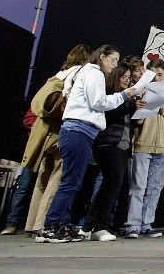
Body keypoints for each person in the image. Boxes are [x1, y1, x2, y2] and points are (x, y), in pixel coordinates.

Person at [36, 45, 140, 243]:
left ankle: (62, 223)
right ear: (102, 57)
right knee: (70, 181)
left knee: (74, 181)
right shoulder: (94, 72)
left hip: (82, 131)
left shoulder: (88, 73)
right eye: (113, 60)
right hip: (78, 130)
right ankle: (52, 226)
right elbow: (98, 102)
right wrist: (125, 95)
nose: (114, 65)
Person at [23, 44, 92, 236]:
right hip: (61, 132)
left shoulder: (59, 75)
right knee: (59, 178)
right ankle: (44, 224)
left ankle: (30, 224)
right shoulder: (78, 74)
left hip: (43, 133)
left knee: (42, 179)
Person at [81, 63, 145, 241]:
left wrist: (138, 108)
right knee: (112, 184)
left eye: (128, 77)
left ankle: (89, 225)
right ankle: (100, 226)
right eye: (122, 77)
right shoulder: (109, 94)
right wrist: (130, 105)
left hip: (124, 146)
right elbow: (108, 113)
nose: (126, 80)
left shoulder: (127, 98)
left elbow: (130, 120)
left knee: (110, 186)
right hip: (108, 144)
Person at [125, 58, 164, 239]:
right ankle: (132, 225)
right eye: (154, 74)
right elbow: (138, 118)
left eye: (161, 74)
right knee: (138, 187)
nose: (158, 78)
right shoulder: (141, 91)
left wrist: (161, 102)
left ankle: (146, 223)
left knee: (155, 188)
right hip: (142, 145)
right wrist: (148, 100)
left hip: (163, 148)